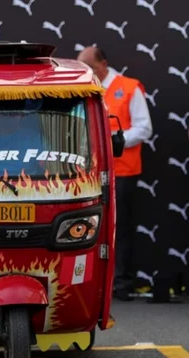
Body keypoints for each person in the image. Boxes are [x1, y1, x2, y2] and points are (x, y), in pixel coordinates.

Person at [77, 46, 153, 301]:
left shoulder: (129, 87)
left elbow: (144, 128)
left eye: (90, 67)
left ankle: (121, 283)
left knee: (119, 229)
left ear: (104, 64)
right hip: (89, 174)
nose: (87, 72)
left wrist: (109, 141)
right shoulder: (84, 89)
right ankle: (92, 283)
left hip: (123, 171)